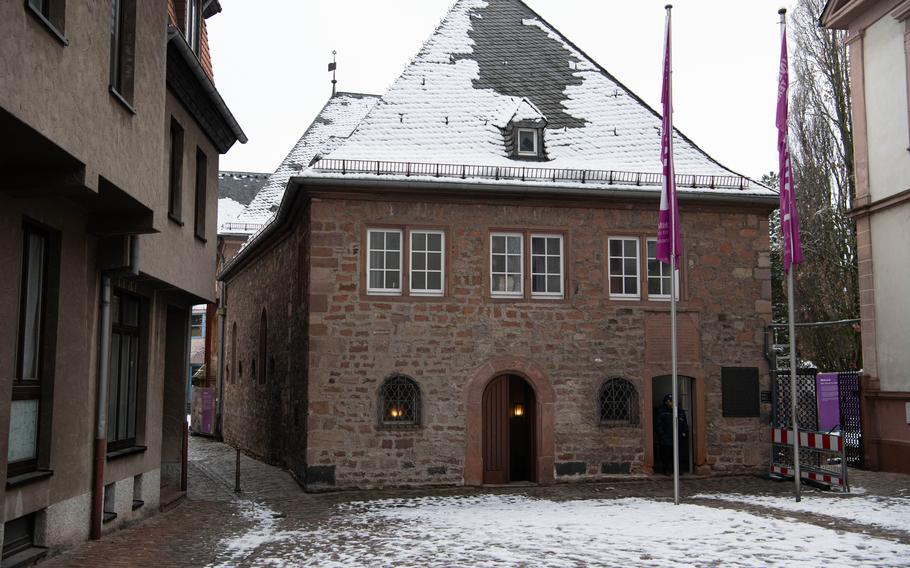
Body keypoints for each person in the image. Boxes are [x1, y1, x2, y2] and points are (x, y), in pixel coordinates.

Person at [655, 393, 688, 475]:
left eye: (673, 401)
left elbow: (684, 423)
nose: (672, 403)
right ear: (666, 402)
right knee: (666, 455)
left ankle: (677, 470)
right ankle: (666, 470)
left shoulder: (680, 411)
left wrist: (684, 432)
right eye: (670, 401)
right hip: (666, 437)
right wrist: (662, 434)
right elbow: (658, 424)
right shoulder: (661, 411)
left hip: (677, 437)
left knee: (678, 455)